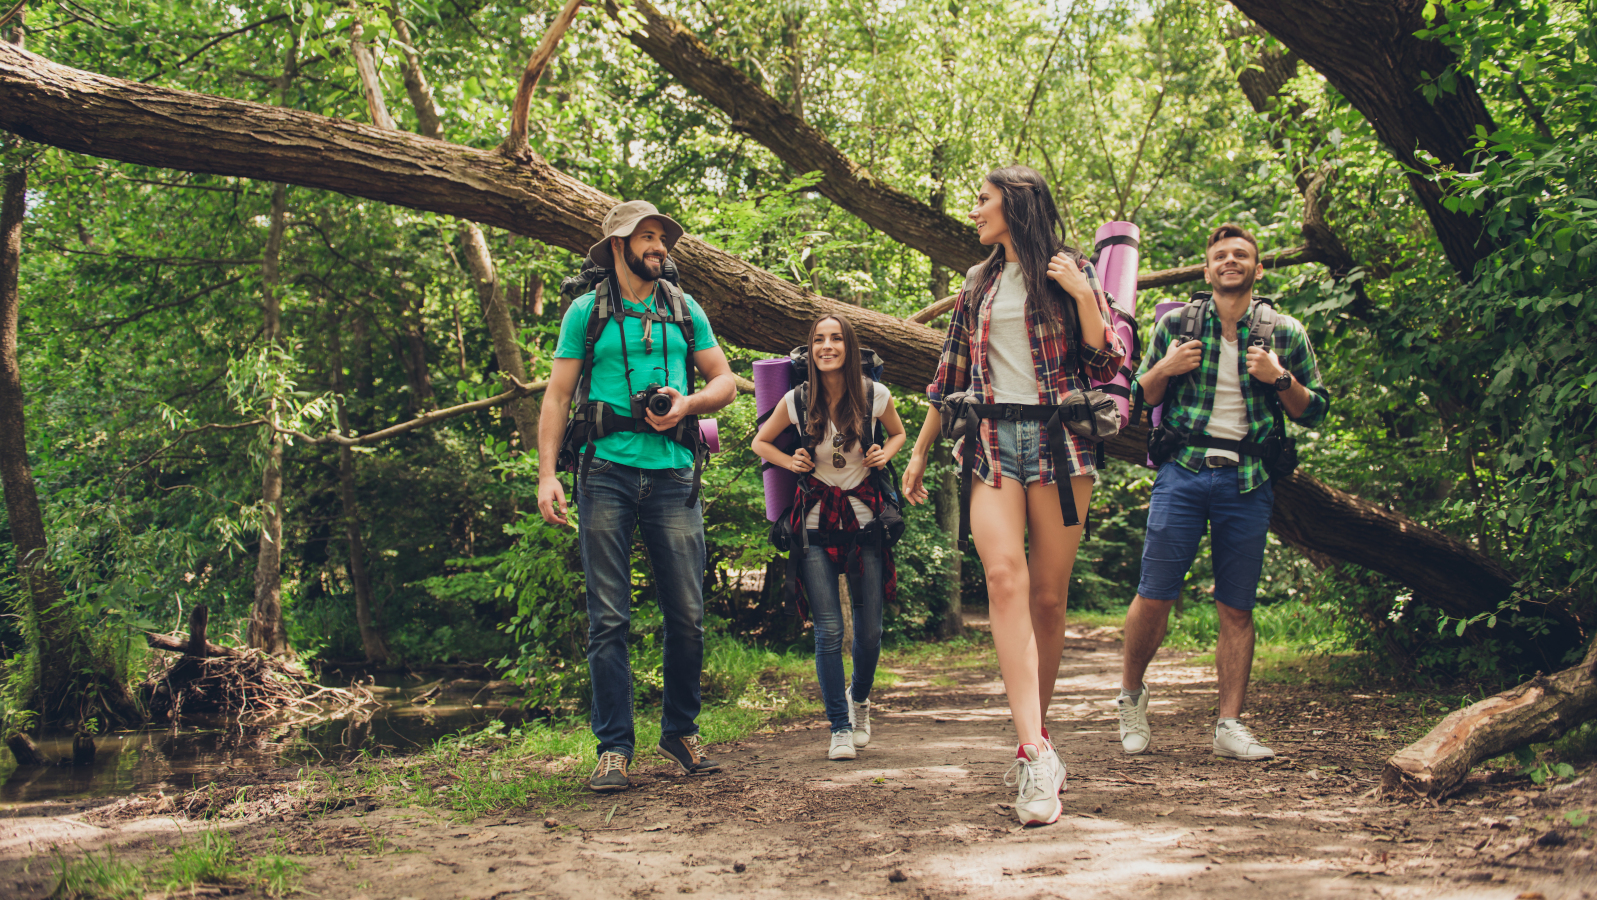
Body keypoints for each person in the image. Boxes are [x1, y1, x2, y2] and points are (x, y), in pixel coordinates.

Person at [902, 166, 1126, 826]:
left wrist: (1082, 296)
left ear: (1017, 205)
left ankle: (1040, 736)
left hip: (1061, 446)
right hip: (991, 443)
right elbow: (949, 376)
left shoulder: (1071, 270)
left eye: (983, 200)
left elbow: (1107, 361)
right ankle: (1033, 751)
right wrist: (918, 451)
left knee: (1048, 598)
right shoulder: (978, 283)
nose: (974, 210)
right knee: (1003, 579)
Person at [537, 200, 737, 793]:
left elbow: (725, 380)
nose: (658, 246)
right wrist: (547, 474)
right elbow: (557, 396)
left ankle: (680, 732)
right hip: (605, 474)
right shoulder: (586, 312)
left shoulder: (684, 307)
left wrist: (689, 403)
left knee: (688, 615)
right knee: (608, 618)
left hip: (674, 474)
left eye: (662, 237)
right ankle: (613, 750)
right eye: (646, 237)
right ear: (619, 246)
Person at [1116, 223, 1329, 761]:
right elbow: (1137, 397)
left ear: (1258, 269)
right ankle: (1130, 697)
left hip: (1249, 480)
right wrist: (1165, 367)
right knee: (1154, 595)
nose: (1230, 261)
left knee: (1237, 607)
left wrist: (1280, 378)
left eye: (1241, 255)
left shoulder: (1285, 332)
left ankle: (1228, 725)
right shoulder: (1176, 325)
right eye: (1220, 256)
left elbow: (1315, 411)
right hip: (1182, 473)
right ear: (1207, 269)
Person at [751, 314, 907, 761]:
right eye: (819, 339)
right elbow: (761, 442)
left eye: (836, 338)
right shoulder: (797, 399)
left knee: (870, 632)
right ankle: (839, 726)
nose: (827, 346)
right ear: (811, 349)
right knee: (828, 631)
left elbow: (898, 434)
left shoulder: (875, 395)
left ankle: (860, 700)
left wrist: (884, 453)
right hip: (815, 523)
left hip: (866, 524)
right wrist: (789, 462)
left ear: (849, 347)